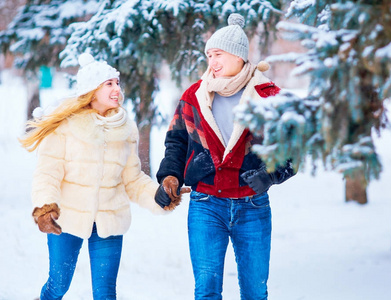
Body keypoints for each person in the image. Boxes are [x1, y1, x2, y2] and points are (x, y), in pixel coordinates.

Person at [20, 53, 189, 300]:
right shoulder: (65, 127)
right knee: (58, 285)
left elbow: (132, 179)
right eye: (109, 84)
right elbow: (48, 173)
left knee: (106, 293)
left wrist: (159, 195)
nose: (116, 89)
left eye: (117, 83)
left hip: (110, 220)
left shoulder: (125, 127)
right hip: (67, 219)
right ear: (92, 90)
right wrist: (45, 208)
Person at [155, 13, 295, 300]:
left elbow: (294, 148)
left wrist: (270, 175)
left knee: (255, 291)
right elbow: (176, 142)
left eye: (218, 54)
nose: (212, 62)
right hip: (206, 205)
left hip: (253, 207)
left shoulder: (269, 96)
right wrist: (170, 175)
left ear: (238, 55)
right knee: (206, 290)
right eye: (209, 55)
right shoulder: (194, 96)